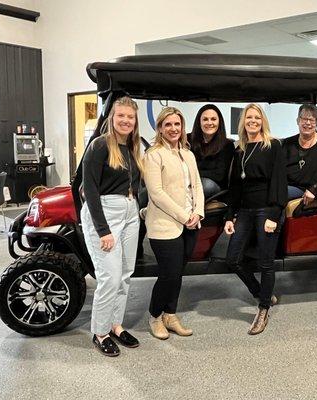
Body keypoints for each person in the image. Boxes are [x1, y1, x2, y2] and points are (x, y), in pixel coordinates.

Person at [81, 96, 143, 356]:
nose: (126, 121)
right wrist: (103, 230)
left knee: (126, 274)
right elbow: (90, 190)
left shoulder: (133, 148)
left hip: (130, 213)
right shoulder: (99, 146)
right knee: (109, 277)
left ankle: (116, 325)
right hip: (105, 213)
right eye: (121, 116)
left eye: (130, 117)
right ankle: (100, 332)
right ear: (112, 117)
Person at [224, 103, 287, 335]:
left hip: (266, 210)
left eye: (257, 118)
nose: (252, 121)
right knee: (232, 259)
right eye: (248, 117)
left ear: (262, 121)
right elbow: (235, 186)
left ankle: (262, 310)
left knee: (265, 262)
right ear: (243, 122)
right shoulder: (239, 148)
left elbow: (279, 182)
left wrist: (274, 213)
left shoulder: (273, 146)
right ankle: (262, 293)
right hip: (245, 212)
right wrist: (230, 215)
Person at [143, 107, 204, 340]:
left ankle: (170, 314)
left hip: (191, 223)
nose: (173, 129)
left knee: (178, 273)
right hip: (164, 225)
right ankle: (155, 316)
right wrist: (184, 216)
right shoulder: (153, 154)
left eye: (177, 124)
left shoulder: (188, 154)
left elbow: (197, 186)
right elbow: (156, 193)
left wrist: (198, 212)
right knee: (168, 274)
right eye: (168, 124)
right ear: (160, 128)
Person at [283, 104, 317, 204]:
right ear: (297, 121)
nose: (308, 123)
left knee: (279, 193)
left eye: (312, 120)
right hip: (287, 185)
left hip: (311, 189)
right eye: (304, 118)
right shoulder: (287, 143)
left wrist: (314, 189)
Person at [189, 104, 235, 198]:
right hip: (190, 182)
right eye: (205, 119)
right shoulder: (188, 140)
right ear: (199, 122)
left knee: (204, 185)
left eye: (213, 119)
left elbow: (219, 175)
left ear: (219, 122)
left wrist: (192, 173)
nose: (209, 123)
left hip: (213, 185)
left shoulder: (227, 145)